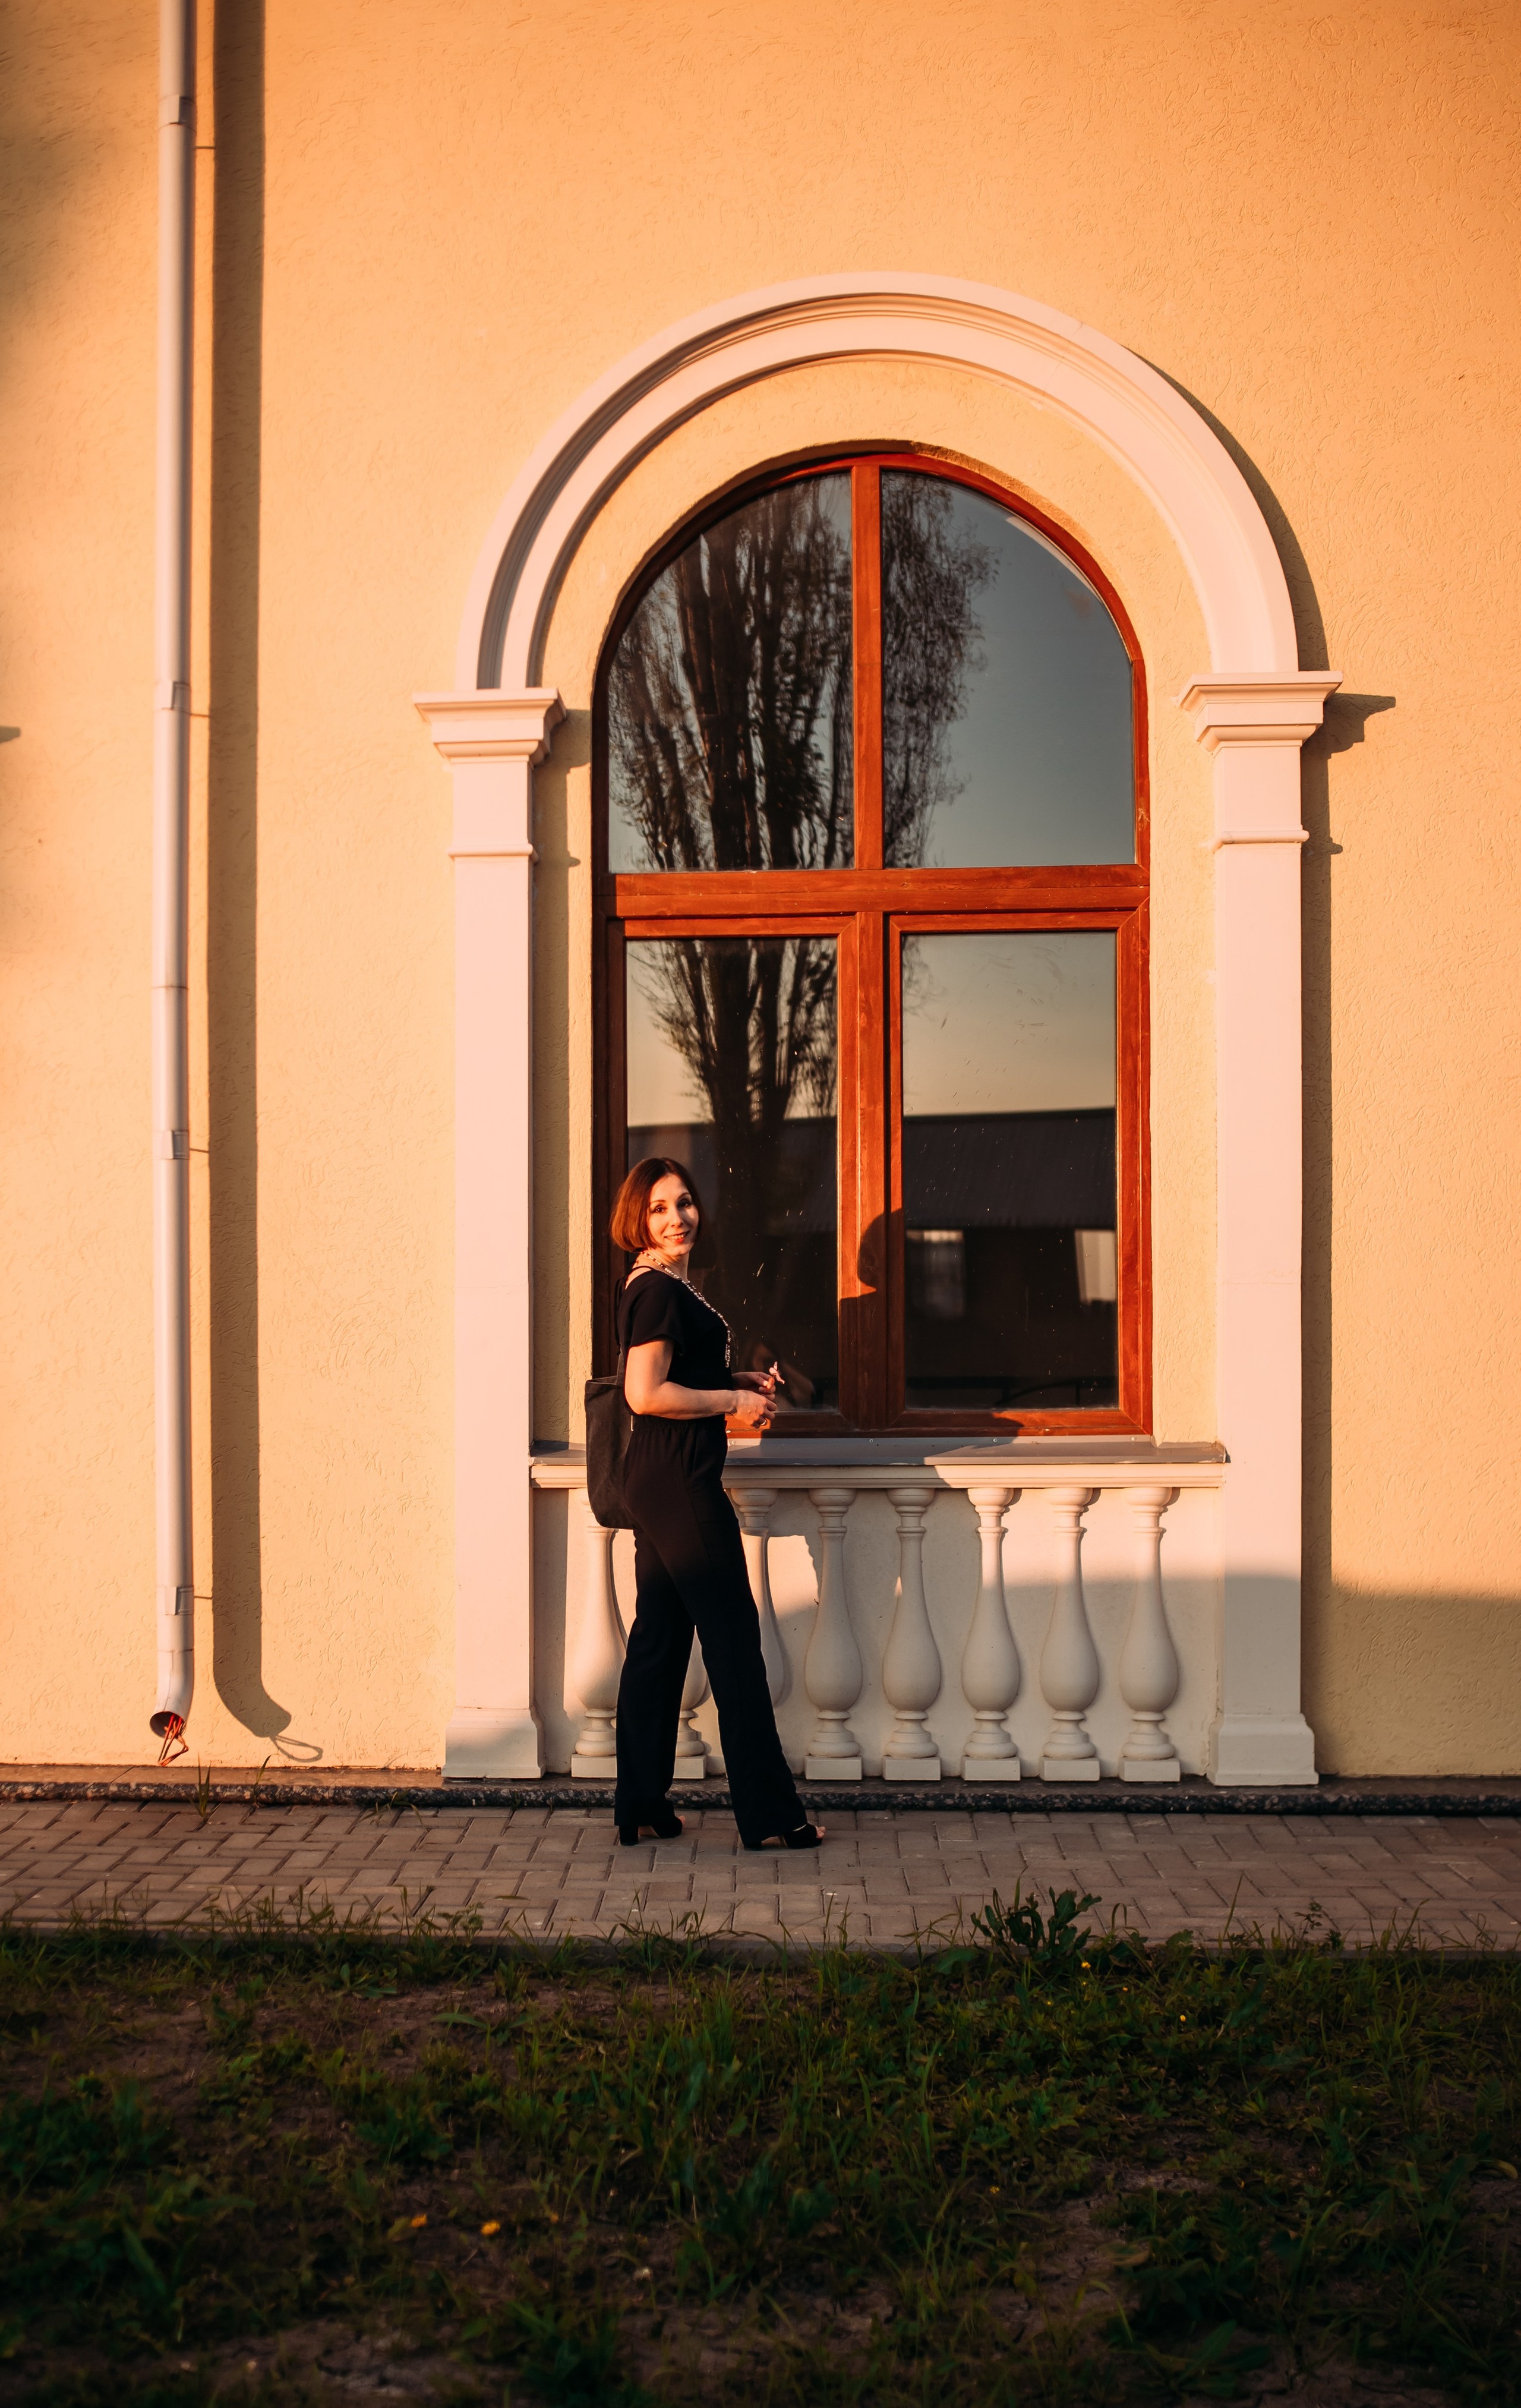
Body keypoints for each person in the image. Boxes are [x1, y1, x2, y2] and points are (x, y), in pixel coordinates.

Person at [610, 1156, 822, 1854]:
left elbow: (673, 1379)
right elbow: (645, 1393)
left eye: (686, 1203)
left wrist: (731, 1379)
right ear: (639, 1219)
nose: (678, 1218)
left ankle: (639, 1803)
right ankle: (771, 1815)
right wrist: (732, 1401)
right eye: (660, 1208)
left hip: (660, 1475)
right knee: (733, 1639)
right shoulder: (659, 1292)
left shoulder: (659, 1285)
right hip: (678, 1482)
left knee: (660, 1642)